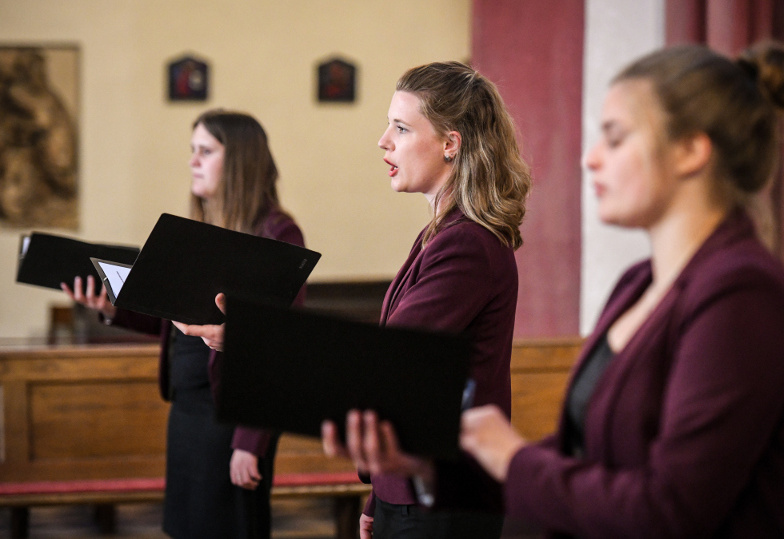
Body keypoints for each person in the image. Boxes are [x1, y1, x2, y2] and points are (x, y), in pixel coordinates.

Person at [334, 43, 784, 538]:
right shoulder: (637, 284)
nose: (590, 159)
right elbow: (581, 457)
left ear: (690, 150)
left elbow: (673, 507)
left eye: (614, 139)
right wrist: (432, 473)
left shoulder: (742, 292)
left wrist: (510, 456)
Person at [62, 109, 305, 539]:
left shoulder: (277, 234)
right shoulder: (203, 228)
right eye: (192, 150)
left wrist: (250, 442)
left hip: (232, 418)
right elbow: (177, 321)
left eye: (206, 151)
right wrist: (112, 307)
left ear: (241, 161)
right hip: (188, 412)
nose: (193, 160)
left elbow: (278, 348)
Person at [317, 61, 531, 539]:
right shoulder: (443, 234)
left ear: (451, 144)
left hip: (443, 499)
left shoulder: (468, 244)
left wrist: (249, 343)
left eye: (401, 127)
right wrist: (380, 491)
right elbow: (415, 384)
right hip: (411, 489)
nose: (383, 141)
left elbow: (390, 358)